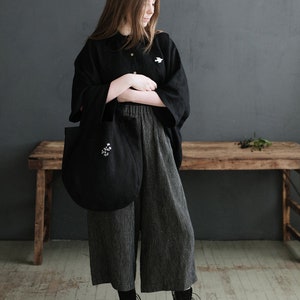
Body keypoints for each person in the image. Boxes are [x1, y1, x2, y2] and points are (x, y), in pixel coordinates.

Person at [69, 0, 198, 299]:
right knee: (117, 224)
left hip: (157, 143)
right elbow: (83, 102)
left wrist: (123, 94)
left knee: (174, 223)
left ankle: (184, 295)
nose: (151, 8)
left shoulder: (162, 44)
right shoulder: (96, 48)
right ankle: (126, 296)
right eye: (145, 2)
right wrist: (129, 81)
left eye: (155, 2)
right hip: (112, 145)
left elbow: (178, 99)